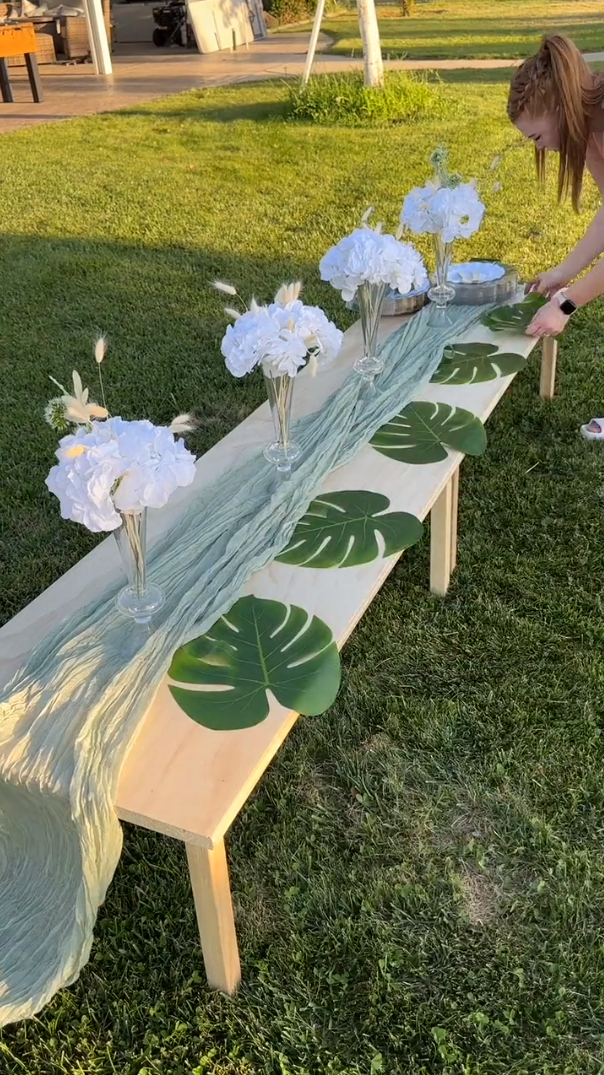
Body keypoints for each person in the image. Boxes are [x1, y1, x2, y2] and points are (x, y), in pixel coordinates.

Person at [508, 34, 604, 439]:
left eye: (536, 137)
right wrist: (564, 271)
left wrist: (565, 305)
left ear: (558, 110)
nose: (541, 149)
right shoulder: (590, 129)